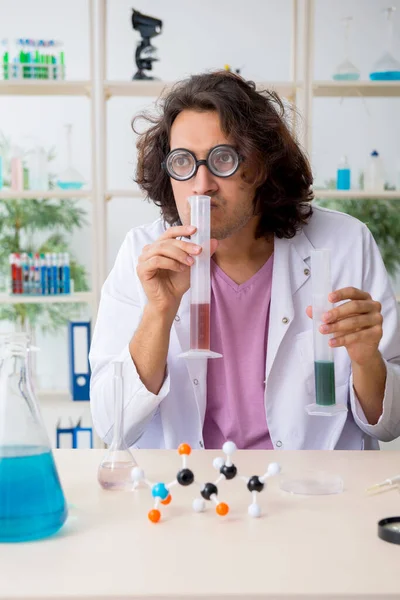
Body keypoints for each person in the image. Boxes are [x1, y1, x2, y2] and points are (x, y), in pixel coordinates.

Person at [89, 70, 400, 451]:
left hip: (312, 491)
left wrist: (367, 358)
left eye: (223, 159)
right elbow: (111, 427)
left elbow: (389, 426)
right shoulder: (142, 253)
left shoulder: (346, 244)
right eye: (183, 162)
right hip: (187, 494)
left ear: (258, 167)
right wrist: (159, 312)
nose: (201, 185)